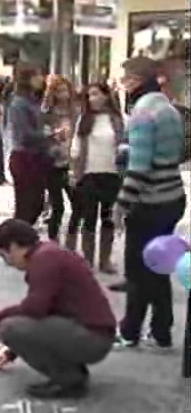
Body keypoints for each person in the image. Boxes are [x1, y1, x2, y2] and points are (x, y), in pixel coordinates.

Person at [0, 219, 116, 399]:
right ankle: (71, 370)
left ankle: (69, 379)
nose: (7, 263)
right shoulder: (48, 253)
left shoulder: (45, 260)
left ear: (15, 246)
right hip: (93, 333)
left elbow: (34, 310)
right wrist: (10, 353)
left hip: (92, 336)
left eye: (4, 255)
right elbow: (47, 312)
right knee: (15, 325)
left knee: (9, 327)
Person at [114, 57, 186, 349]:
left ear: (135, 81)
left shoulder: (142, 114)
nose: (122, 86)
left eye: (125, 80)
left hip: (150, 201)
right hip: (172, 196)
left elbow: (140, 168)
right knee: (158, 266)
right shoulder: (169, 109)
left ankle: (130, 330)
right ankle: (161, 329)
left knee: (136, 270)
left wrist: (121, 205)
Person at [66, 82, 124, 272]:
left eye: (96, 94)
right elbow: (75, 147)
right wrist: (74, 172)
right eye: (89, 96)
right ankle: (88, 261)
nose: (93, 99)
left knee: (108, 218)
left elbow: (125, 142)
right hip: (89, 174)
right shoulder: (84, 119)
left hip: (112, 174)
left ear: (106, 96)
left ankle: (105, 260)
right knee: (89, 217)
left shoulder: (117, 119)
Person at [8, 64, 51, 225]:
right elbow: (24, 135)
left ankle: (20, 237)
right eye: (37, 76)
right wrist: (48, 135)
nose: (41, 79)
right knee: (26, 205)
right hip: (24, 158)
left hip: (37, 157)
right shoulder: (19, 103)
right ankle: (14, 240)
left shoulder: (34, 101)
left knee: (37, 204)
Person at [41, 75, 77, 242]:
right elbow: (41, 137)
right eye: (59, 91)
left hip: (72, 163)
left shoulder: (75, 112)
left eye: (65, 90)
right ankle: (53, 242)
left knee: (78, 205)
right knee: (58, 207)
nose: (64, 94)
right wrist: (53, 136)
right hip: (53, 165)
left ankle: (71, 240)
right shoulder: (47, 113)